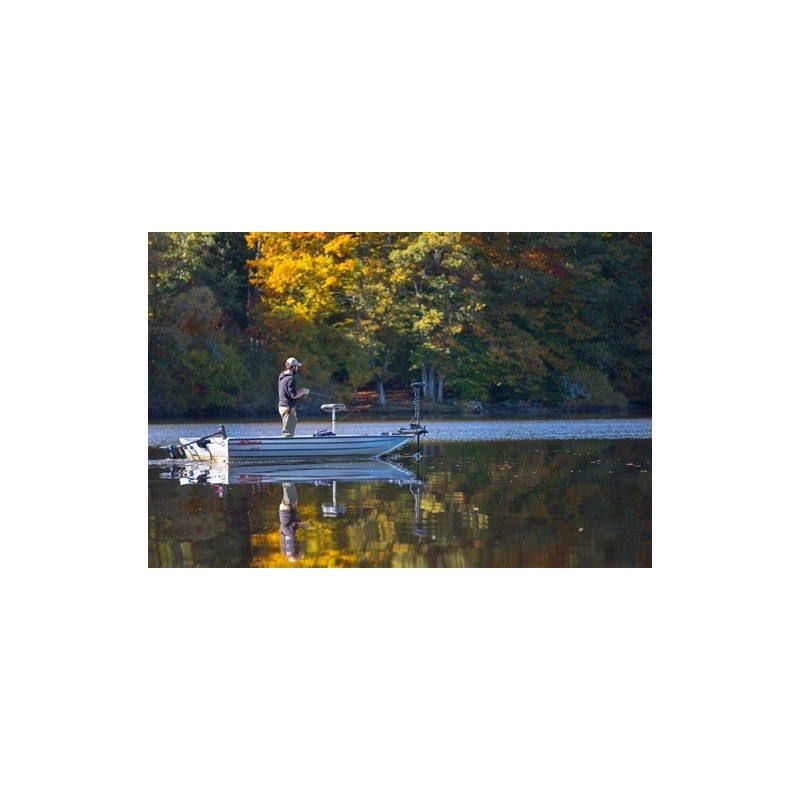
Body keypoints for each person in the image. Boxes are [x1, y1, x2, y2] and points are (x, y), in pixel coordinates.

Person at [277, 356, 310, 437]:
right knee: (288, 434)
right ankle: (286, 448)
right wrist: (303, 391)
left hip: (282, 407)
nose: (297, 368)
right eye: (297, 367)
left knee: (287, 431)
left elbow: (289, 393)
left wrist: (300, 391)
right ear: (294, 367)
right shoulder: (291, 379)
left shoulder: (282, 376)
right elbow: (294, 395)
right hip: (288, 408)